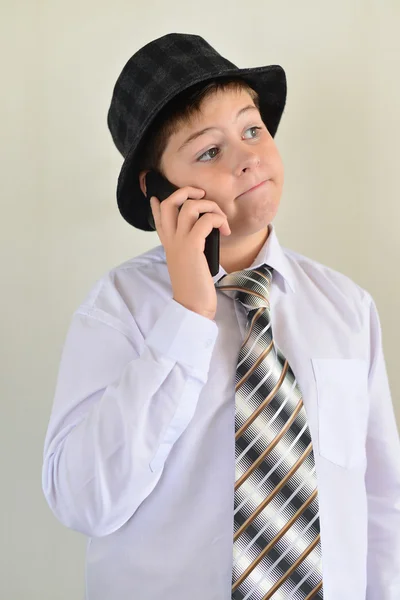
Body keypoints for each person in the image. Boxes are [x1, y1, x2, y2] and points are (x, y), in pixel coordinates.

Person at [41, 33, 400, 600]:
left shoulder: (348, 308)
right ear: (157, 189)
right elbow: (84, 500)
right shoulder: (119, 309)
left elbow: (380, 501)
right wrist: (186, 316)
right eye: (210, 151)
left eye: (252, 129)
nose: (248, 157)